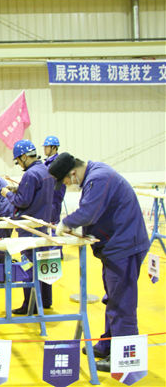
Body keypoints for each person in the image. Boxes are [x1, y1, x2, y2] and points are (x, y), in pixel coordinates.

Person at [48, 153, 150, 373]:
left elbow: (89, 213)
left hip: (125, 246)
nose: (68, 185)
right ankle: (108, 344)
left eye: (66, 181)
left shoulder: (98, 178)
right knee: (113, 299)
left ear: (72, 173)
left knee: (122, 303)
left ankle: (124, 358)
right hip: (115, 246)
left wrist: (66, 223)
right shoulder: (94, 174)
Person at [0, 140, 54, 315]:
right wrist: (18, 189)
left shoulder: (30, 174)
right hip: (43, 224)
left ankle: (29, 304)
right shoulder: (45, 170)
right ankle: (45, 301)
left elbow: (22, 201)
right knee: (43, 263)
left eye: (18, 161)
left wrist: (8, 193)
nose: (19, 164)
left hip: (28, 227)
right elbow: (35, 194)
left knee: (28, 265)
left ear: (23, 157)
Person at [43, 136, 66, 226]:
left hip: (54, 198)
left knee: (53, 224)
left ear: (54, 147)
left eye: (47, 147)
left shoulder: (57, 163)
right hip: (47, 198)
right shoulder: (47, 162)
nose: (44, 149)